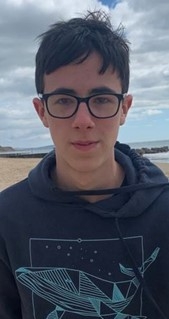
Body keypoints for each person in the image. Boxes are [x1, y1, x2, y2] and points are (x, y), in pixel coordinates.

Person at [0, 10, 169, 319]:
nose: (83, 121)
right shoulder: (6, 217)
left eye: (101, 99)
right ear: (42, 112)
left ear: (124, 108)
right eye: (64, 100)